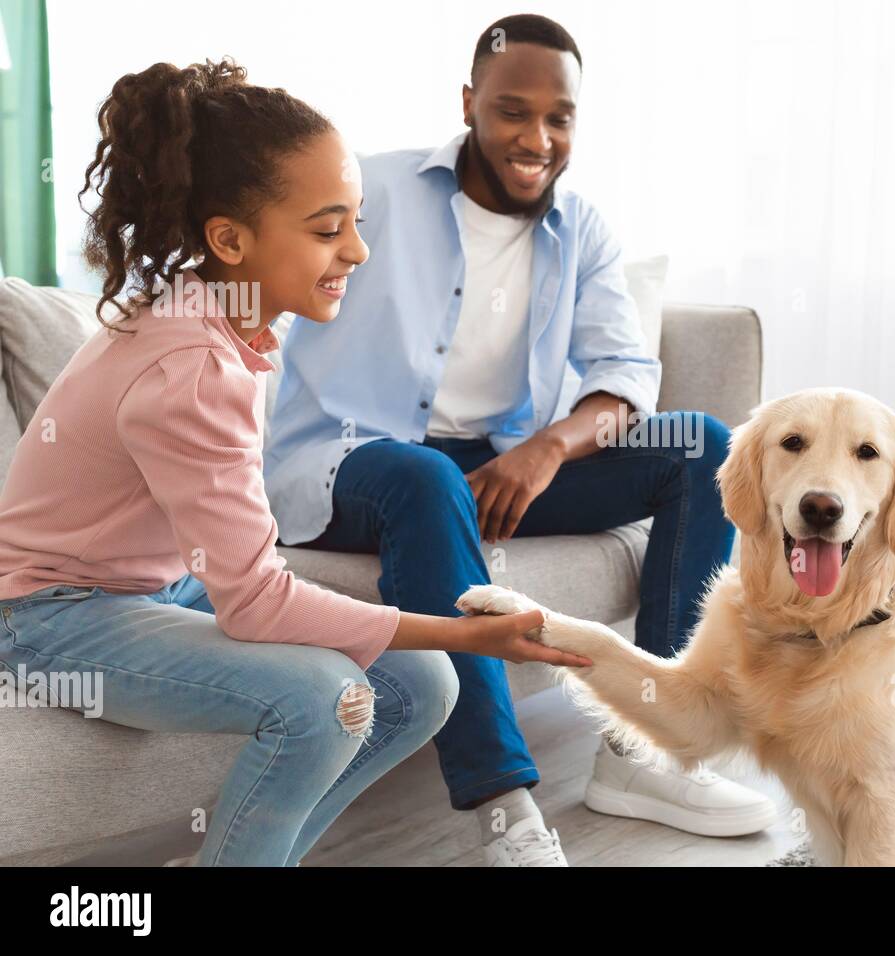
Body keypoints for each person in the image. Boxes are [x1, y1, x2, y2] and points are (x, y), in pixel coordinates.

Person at [0, 58, 583, 868]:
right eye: (325, 229)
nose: (358, 251)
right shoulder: (190, 367)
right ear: (229, 239)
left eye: (357, 221)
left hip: (149, 583)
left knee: (425, 687)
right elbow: (257, 606)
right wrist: (466, 632)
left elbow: (241, 572)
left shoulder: (225, 321)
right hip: (45, 613)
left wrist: (446, 649)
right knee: (327, 700)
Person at [265, 15, 777, 867]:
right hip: (349, 465)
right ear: (469, 104)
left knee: (704, 446)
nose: (536, 138)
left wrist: (548, 449)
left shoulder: (584, 230)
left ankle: (643, 751)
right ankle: (502, 802)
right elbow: (268, 265)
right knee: (422, 477)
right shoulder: (374, 192)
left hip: (495, 465)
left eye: (559, 118)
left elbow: (624, 376)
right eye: (512, 111)